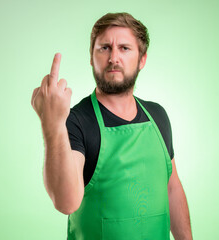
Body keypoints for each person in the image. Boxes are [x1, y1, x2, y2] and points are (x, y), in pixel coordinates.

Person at [31, 12, 192, 240]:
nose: (113, 57)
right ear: (91, 57)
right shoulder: (76, 120)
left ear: (142, 59)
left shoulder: (158, 116)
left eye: (124, 48)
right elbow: (66, 202)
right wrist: (52, 124)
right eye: (104, 48)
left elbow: (172, 188)